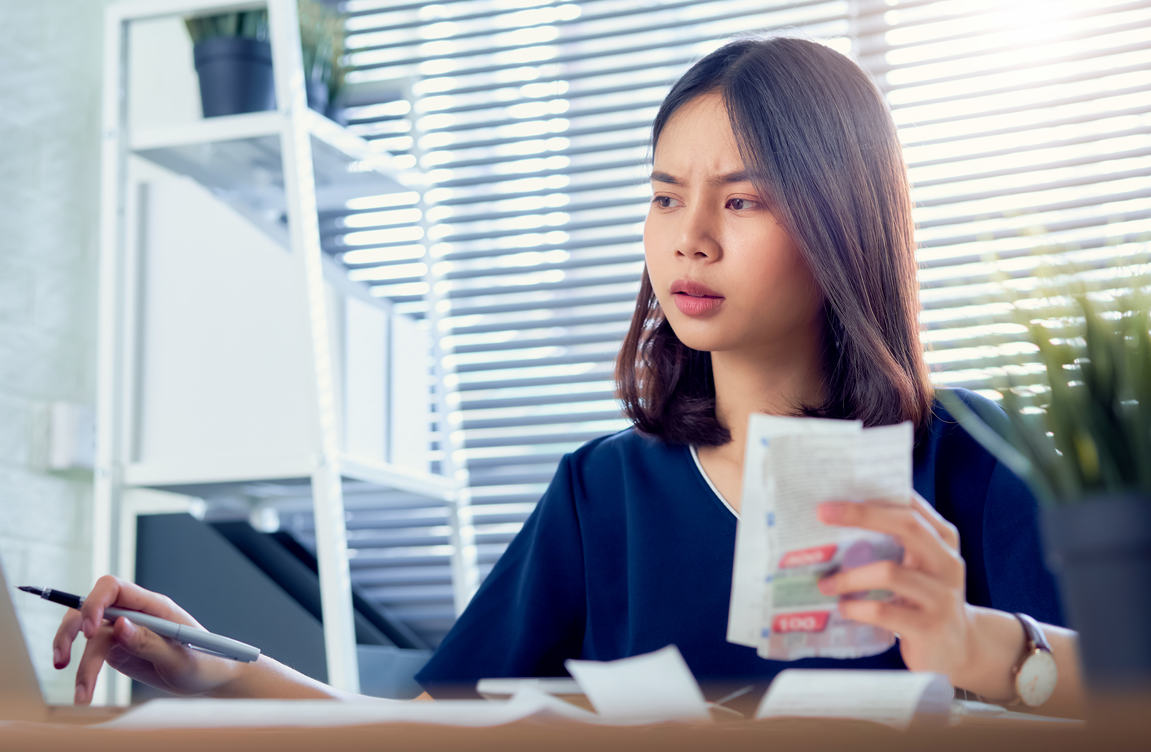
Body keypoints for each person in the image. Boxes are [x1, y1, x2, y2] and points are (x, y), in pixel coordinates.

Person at [55, 36, 1084, 717]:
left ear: (839, 220)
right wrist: (211, 671)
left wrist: (972, 642)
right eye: (663, 195)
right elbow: (425, 731)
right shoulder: (605, 490)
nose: (686, 240)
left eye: (740, 202)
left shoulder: (969, 453)